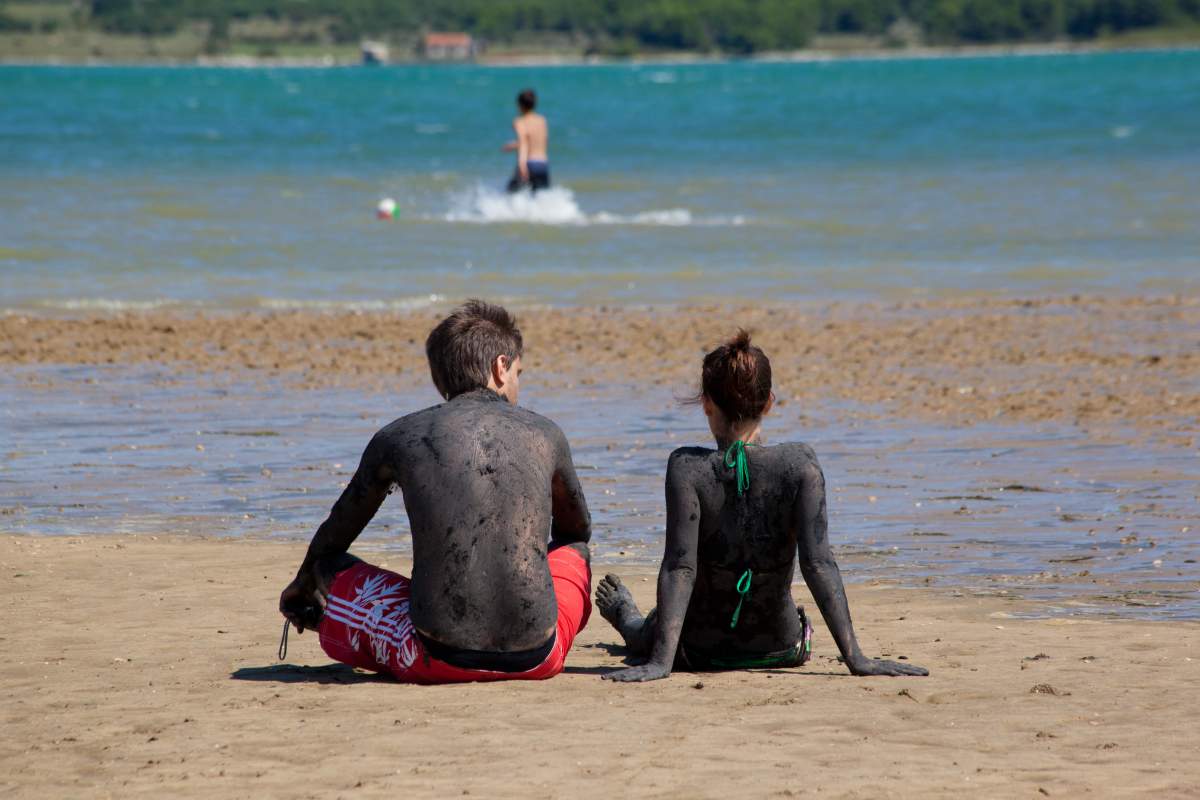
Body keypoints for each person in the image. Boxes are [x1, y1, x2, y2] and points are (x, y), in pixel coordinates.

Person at [278, 300, 592, 684]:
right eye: (518, 374)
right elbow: (577, 531)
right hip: (539, 658)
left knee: (328, 567)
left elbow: (335, 536)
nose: (517, 386)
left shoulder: (401, 436)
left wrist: (302, 585)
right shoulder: (547, 434)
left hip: (433, 659)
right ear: (500, 367)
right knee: (575, 552)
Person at [595, 331, 929, 682]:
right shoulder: (801, 465)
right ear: (769, 403)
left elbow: (681, 568)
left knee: (647, 626)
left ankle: (627, 617)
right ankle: (634, 620)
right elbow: (819, 563)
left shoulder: (687, 468)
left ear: (707, 403)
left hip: (697, 650)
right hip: (784, 647)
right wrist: (856, 658)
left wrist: (662, 663)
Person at [502, 88, 550, 193]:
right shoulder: (542, 120)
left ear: (519, 105)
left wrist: (522, 165)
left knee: (510, 193)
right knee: (541, 197)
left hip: (529, 163)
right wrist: (514, 145)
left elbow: (524, 144)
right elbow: (539, 141)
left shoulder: (519, 122)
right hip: (542, 163)